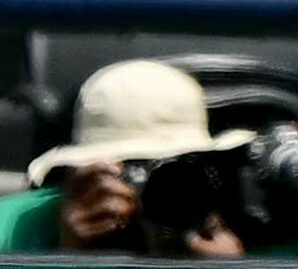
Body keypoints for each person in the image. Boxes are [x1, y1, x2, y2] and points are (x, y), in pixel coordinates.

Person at [0, 60, 250, 256]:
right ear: (84, 173)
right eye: (134, 169)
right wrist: (69, 262)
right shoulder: (13, 229)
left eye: (179, 170)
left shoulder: (251, 221)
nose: (165, 190)